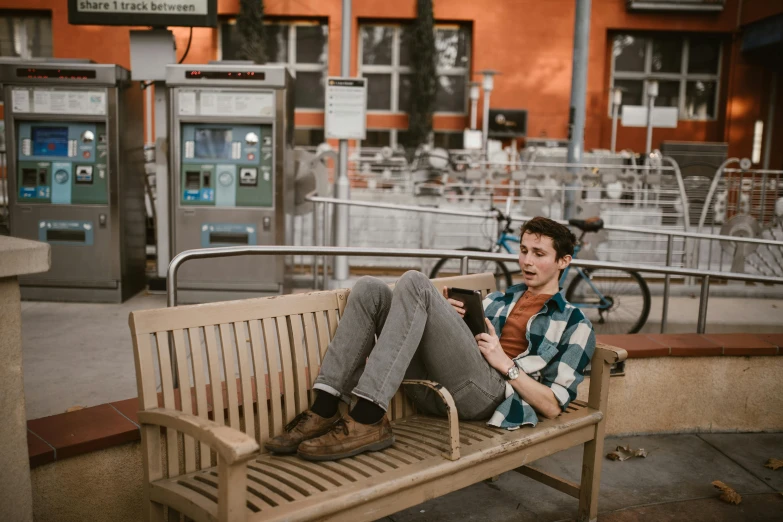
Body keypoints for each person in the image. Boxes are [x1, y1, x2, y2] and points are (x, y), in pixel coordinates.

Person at [265, 216, 596, 461]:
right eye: (523, 250)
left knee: (415, 282)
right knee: (369, 289)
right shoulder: (497, 300)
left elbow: (552, 406)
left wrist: (504, 364)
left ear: (564, 261)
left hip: (489, 397)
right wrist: (451, 320)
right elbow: (462, 349)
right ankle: (324, 408)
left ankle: (367, 417)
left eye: (538, 253)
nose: (526, 261)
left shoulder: (575, 324)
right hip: (434, 389)